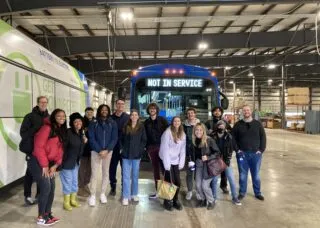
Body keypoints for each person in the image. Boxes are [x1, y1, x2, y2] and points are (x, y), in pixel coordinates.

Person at [31, 109, 67, 225]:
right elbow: (38, 147)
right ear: (53, 117)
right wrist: (45, 166)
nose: (62, 118)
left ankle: (47, 214)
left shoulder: (60, 130)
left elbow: (60, 151)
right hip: (37, 162)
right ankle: (41, 217)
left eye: (63, 116)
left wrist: (56, 165)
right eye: (58, 116)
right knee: (46, 187)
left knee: (51, 188)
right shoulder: (47, 128)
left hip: (50, 164)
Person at [232, 105, 267, 201]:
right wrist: (237, 150)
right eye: (244, 110)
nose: (246, 112)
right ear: (242, 112)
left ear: (250, 111)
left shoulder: (258, 124)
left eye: (248, 110)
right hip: (242, 154)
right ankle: (242, 192)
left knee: (256, 175)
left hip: (256, 154)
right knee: (243, 175)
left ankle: (257, 193)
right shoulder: (237, 124)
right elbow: (233, 138)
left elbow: (263, 137)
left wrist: (261, 150)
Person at [19, 96, 49, 206]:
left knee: (41, 174)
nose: (43, 104)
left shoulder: (49, 118)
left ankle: (38, 195)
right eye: (41, 102)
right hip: (32, 151)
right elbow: (23, 133)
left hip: (43, 152)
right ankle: (27, 196)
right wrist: (35, 128)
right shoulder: (29, 117)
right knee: (30, 175)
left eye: (45, 102)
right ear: (37, 103)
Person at [88, 104, 118, 206]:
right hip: (96, 152)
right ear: (99, 111)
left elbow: (114, 138)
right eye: (102, 110)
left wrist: (107, 150)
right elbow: (91, 138)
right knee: (94, 174)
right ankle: (92, 195)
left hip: (108, 152)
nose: (104, 111)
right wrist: (99, 150)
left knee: (106, 173)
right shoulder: (93, 123)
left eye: (106, 110)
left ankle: (102, 194)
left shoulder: (112, 123)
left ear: (108, 111)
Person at [60, 113, 87, 211]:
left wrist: (84, 142)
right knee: (68, 182)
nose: (78, 123)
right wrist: (61, 162)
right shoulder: (68, 133)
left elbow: (80, 150)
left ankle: (73, 200)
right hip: (66, 162)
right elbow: (63, 148)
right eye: (75, 122)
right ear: (72, 123)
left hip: (75, 162)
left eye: (79, 121)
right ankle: (66, 202)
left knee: (74, 182)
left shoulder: (80, 133)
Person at [211, 120, 241, 206]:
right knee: (214, 180)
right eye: (219, 125)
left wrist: (237, 152)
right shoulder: (212, 136)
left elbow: (233, 147)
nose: (221, 126)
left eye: (222, 125)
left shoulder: (229, 136)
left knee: (231, 179)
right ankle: (214, 197)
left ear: (225, 126)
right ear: (217, 126)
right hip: (216, 161)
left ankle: (235, 197)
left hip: (226, 161)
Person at [159, 116, 186, 211]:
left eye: (178, 121)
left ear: (180, 122)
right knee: (169, 181)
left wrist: (181, 162)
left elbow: (183, 149)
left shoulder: (182, 134)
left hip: (176, 161)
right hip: (166, 160)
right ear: (172, 122)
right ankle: (167, 200)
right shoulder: (167, 133)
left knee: (177, 181)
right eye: (175, 121)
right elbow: (164, 149)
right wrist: (167, 164)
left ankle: (175, 200)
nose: (177, 122)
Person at [121, 109, 147, 206]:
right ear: (130, 116)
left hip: (136, 155)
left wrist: (140, 151)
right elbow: (121, 139)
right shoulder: (126, 126)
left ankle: (134, 194)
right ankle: (126, 196)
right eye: (132, 115)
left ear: (138, 116)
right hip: (126, 155)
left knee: (135, 176)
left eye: (136, 115)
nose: (134, 116)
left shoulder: (141, 127)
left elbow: (144, 140)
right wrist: (121, 149)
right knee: (126, 176)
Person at [192, 123, 220, 210]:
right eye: (197, 130)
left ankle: (211, 201)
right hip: (198, 165)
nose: (198, 132)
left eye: (200, 130)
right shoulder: (193, 141)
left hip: (208, 166)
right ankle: (203, 200)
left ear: (204, 131)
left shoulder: (209, 140)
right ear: (194, 131)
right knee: (197, 185)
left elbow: (218, 153)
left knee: (204, 186)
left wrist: (208, 157)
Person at [205, 106, 232, 194]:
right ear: (212, 112)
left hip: (224, 151)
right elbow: (204, 133)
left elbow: (230, 133)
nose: (217, 112)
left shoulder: (225, 122)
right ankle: (211, 185)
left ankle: (223, 186)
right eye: (215, 111)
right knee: (212, 169)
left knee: (224, 169)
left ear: (221, 112)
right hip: (213, 151)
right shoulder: (208, 122)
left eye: (219, 111)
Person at [144, 103, 168, 198]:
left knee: (165, 169)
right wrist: (147, 148)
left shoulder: (163, 120)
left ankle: (166, 192)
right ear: (148, 110)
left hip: (162, 148)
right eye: (151, 108)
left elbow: (168, 133)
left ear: (157, 110)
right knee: (156, 170)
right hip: (152, 149)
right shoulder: (146, 122)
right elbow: (145, 136)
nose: (152, 110)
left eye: (154, 108)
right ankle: (158, 191)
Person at [110, 99, 130, 196]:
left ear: (124, 105)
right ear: (116, 105)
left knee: (124, 168)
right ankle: (113, 185)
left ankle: (124, 186)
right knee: (112, 167)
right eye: (118, 104)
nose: (120, 105)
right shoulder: (110, 118)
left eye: (122, 104)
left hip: (124, 147)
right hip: (113, 147)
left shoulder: (128, 117)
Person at [183, 107, 200, 201]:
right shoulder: (183, 126)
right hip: (188, 154)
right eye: (188, 113)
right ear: (187, 115)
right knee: (189, 173)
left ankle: (198, 191)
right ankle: (189, 191)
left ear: (195, 114)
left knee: (198, 174)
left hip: (199, 154)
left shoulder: (200, 125)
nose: (190, 115)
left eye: (192, 113)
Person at [78, 107, 95, 197]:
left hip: (93, 149)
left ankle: (86, 184)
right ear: (85, 113)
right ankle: (80, 187)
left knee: (90, 169)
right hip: (83, 149)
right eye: (88, 112)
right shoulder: (81, 121)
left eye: (91, 112)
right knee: (82, 169)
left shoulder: (95, 121)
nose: (89, 113)